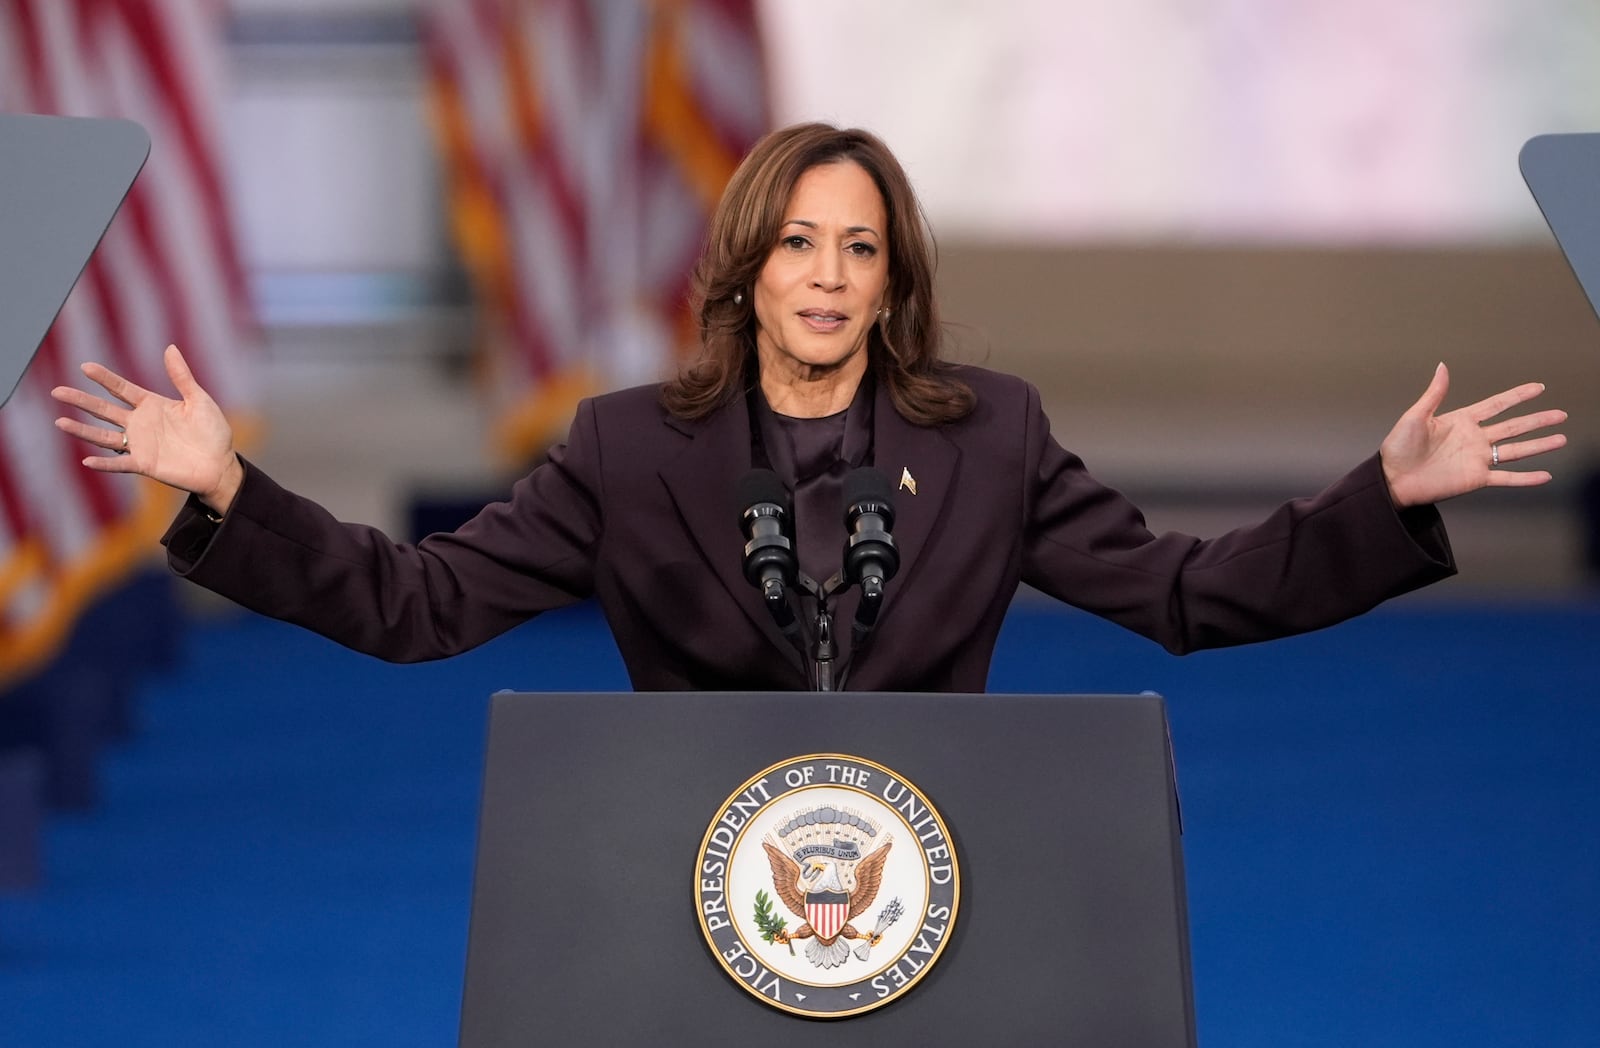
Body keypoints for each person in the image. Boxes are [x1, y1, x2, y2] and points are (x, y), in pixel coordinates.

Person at [51, 123, 1567, 691]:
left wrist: (1389, 503)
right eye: (798, 242)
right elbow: (422, 604)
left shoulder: (997, 435)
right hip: (687, 895)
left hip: (946, 887)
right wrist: (233, 493)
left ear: (893, 273)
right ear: (746, 266)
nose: (828, 275)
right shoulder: (627, 447)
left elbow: (1184, 593)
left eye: (859, 245)